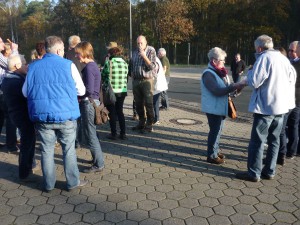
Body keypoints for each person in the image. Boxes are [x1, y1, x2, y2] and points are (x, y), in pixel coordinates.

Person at [22, 36, 87, 191]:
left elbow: (25, 92)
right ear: (58, 50)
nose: (64, 52)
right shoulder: (68, 65)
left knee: (46, 150)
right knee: (68, 150)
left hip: (42, 117)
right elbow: (82, 90)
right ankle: (72, 182)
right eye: (63, 49)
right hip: (66, 116)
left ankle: (48, 184)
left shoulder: (33, 67)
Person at [236, 35, 296, 182]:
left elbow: (255, 81)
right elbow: (292, 79)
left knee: (257, 141)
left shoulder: (264, 58)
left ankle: (254, 173)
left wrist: (249, 73)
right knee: (275, 141)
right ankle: (269, 171)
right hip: (281, 108)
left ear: (259, 48)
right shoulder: (284, 59)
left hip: (265, 107)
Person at [201, 47, 246, 164]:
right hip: (213, 108)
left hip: (220, 107)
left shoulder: (221, 72)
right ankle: (211, 155)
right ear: (214, 61)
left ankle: (215, 150)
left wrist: (238, 89)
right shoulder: (208, 74)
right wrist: (234, 86)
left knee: (218, 131)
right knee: (215, 131)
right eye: (222, 60)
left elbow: (228, 89)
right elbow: (217, 90)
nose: (224, 62)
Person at [2, 54, 36, 181]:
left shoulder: (9, 79)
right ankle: (25, 172)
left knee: (27, 141)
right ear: (17, 66)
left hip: (17, 114)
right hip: (22, 115)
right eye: (24, 63)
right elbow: (27, 96)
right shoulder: (15, 81)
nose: (27, 65)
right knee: (27, 143)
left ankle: (28, 167)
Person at [75, 41, 105, 173]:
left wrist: (78, 97)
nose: (77, 56)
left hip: (89, 104)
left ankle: (98, 164)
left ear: (84, 53)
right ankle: (96, 159)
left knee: (90, 134)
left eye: (78, 54)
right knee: (93, 133)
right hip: (94, 102)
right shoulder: (93, 66)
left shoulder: (88, 68)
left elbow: (89, 89)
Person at [129, 35, 156, 133]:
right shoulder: (134, 52)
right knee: (138, 103)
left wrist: (144, 56)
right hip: (136, 80)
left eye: (141, 43)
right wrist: (131, 74)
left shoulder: (150, 50)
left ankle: (149, 124)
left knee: (148, 103)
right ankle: (141, 122)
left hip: (147, 80)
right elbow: (131, 65)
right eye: (138, 43)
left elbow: (153, 66)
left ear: (146, 42)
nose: (139, 45)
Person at [101, 46, 129, 140]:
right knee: (120, 111)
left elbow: (103, 76)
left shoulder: (109, 63)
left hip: (111, 91)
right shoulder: (125, 63)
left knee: (112, 112)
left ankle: (114, 133)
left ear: (111, 54)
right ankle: (123, 133)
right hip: (122, 91)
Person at [0, 37, 19, 151]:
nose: (4, 43)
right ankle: (11, 145)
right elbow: (11, 65)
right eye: (1, 42)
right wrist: (15, 50)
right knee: (10, 117)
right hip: (2, 91)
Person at [153, 56, 168, 125]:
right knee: (155, 102)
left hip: (156, 85)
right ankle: (156, 118)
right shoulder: (156, 59)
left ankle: (155, 119)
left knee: (154, 102)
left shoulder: (154, 60)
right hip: (158, 85)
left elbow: (154, 73)